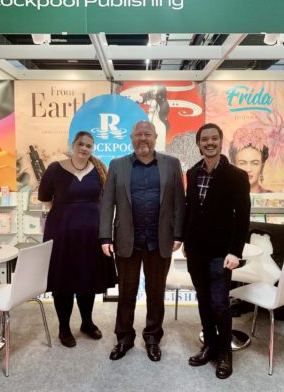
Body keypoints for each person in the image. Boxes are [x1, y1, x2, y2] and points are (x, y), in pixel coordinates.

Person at [99, 120, 185, 362]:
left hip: (160, 240)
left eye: (147, 134)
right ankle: (124, 338)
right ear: (131, 138)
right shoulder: (117, 165)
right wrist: (105, 236)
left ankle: (152, 338)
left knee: (156, 293)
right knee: (126, 293)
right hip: (127, 240)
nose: (143, 138)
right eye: (138, 135)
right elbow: (107, 203)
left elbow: (179, 202)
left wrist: (178, 234)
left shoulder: (171, 164)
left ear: (155, 137)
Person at [184, 123, 250, 379]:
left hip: (222, 253)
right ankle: (209, 345)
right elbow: (191, 210)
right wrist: (187, 242)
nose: (209, 143)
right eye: (204, 139)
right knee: (203, 301)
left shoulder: (237, 175)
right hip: (196, 251)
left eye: (214, 138)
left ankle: (225, 352)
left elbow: (242, 217)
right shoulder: (192, 172)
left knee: (220, 304)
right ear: (198, 143)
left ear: (221, 142)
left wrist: (235, 251)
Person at [38, 131, 116, 348]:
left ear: (92, 148)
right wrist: (66, 216)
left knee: (87, 279)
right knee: (63, 282)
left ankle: (87, 323)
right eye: (81, 144)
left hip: (91, 237)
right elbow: (45, 198)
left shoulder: (99, 170)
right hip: (62, 235)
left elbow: (106, 200)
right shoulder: (55, 169)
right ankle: (64, 327)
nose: (84, 148)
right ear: (73, 144)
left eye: (89, 145)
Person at [228, 127, 271, 193]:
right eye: (242, 163)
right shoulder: (225, 195)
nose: (248, 169)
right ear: (233, 165)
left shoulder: (271, 196)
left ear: (262, 166)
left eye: (255, 163)